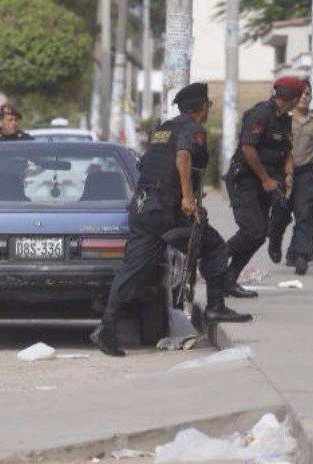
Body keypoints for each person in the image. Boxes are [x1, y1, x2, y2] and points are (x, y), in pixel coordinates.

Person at [90, 83, 253, 358]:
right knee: (213, 246)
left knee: (133, 269)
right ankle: (215, 305)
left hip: (144, 207)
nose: (208, 110)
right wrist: (188, 199)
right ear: (200, 107)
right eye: (209, 105)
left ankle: (107, 327)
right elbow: (183, 156)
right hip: (166, 210)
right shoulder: (192, 128)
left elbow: (147, 164)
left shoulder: (164, 129)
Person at [224, 77, 303, 298]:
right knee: (252, 230)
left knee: (259, 235)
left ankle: (229, 280)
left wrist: (288, 173)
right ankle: (217, 257)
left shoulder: (284, 120)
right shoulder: (261, 114)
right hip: (247, 180)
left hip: (268, 183)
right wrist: (266, 178)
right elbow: (248, 148)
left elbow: (287, 149)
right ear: (294, 99)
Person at [268, 79, 313, 275]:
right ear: (294, 97)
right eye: (302, 94)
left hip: (305, 173)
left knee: (304, 216)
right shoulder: (283, 119)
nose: (305, 97)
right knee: (280, 214)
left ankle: (301, 256)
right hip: (282, 175)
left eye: (308, 94)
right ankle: (275, 241)